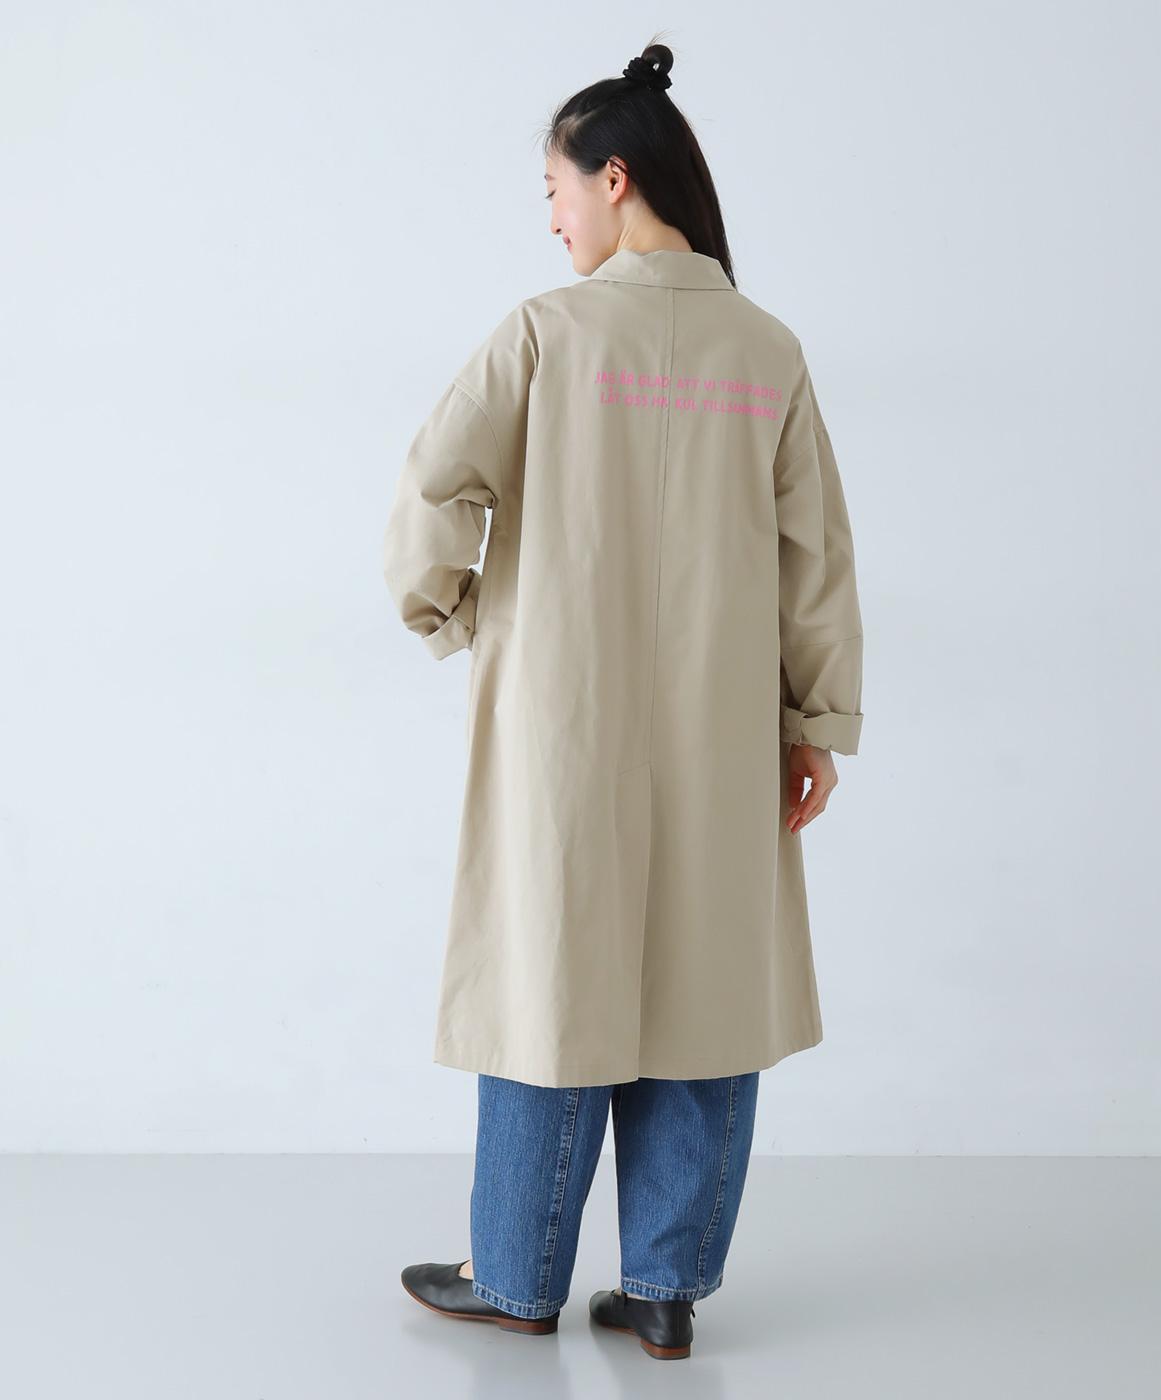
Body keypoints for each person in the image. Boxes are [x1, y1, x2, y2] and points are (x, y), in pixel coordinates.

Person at [383, 39, 865, 1361]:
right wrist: (816, 724)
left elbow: (432, 488)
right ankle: (664, 1290)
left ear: (612, 178)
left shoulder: (547, 333)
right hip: (724, 726)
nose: (550, 219)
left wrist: (456, 615)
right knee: (707, 984)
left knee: (552, 974)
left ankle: (516, 1274)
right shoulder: (766, 350)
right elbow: (815, 557)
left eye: (553, 189)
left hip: (561, 722)